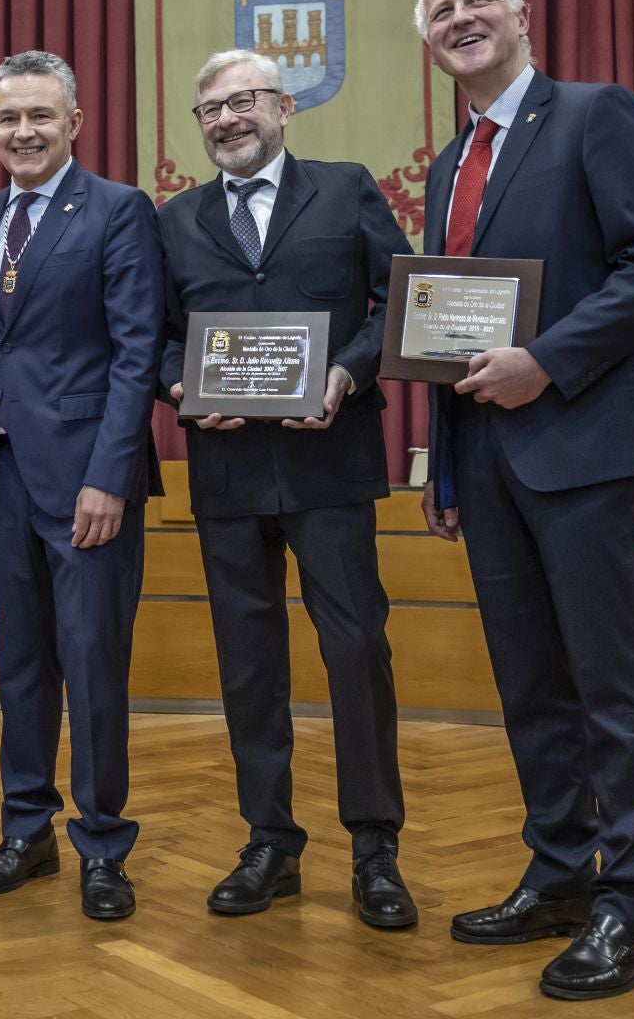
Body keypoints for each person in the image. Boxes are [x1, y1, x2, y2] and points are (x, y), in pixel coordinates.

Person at [414, 0, 634, 1000]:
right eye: (440, 9)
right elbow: (446, 326)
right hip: (484, 463)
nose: (459, 17)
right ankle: (560, 869)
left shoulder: (594, 113)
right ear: (428, 40)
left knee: (612, 684)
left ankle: (633, 904)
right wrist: (443, 466)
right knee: (530, 683)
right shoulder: (447, 165)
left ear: (521, 14)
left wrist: (549, 360)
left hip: (584, 449)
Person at [157, 48, 418, 926]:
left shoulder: (345, 189)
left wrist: (346, 371)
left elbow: (398, 303)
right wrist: (181, 387)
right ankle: (270, 838)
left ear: (282, 106)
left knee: (356, 653)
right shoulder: (176, 218)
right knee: (249, 666)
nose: (227, 120)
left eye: (242, 103)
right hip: (226, 473)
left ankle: (375, 847)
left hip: (329, 465)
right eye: (210, 110)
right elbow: (156, 337)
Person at [0, 50, 165, 920]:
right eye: (8, 118)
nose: (24, 132)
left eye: (41, 116)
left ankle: (104, 843)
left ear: (74, 122)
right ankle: (26, 830)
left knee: (94, 666)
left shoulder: (118, 211)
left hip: (88, 482)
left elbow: (136, 350)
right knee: (21, 668)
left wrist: (110, 476)